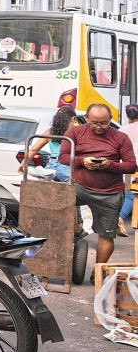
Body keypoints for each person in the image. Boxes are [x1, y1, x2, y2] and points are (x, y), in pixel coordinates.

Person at [60, 103, 136, 265]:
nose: (99, 126)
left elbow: (131, 166)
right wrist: (82, 161)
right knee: (60, 202)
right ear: (86, 119)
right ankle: (77, 229)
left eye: (104, 123)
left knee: (106, 235)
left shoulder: (120, 137)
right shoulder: (74, 132)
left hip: (110, 193)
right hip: (80, 187)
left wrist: (109, 165)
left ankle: (98, 271)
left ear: (111, 119)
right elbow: (63, 157)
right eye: (94, 122)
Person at [20, 106, 78, 182]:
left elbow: (34, 149)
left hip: (51, 165)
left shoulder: (50, 132)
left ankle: (41, 172)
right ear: (73, 118)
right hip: (66, 165)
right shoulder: (75, 132)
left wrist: (23, 164)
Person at [117, 104, 138, 237]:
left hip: (125, 164)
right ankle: (120, 217)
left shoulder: (122, 130)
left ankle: (120, 217)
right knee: (131, 194)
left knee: (129, 193)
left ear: (127, 116)